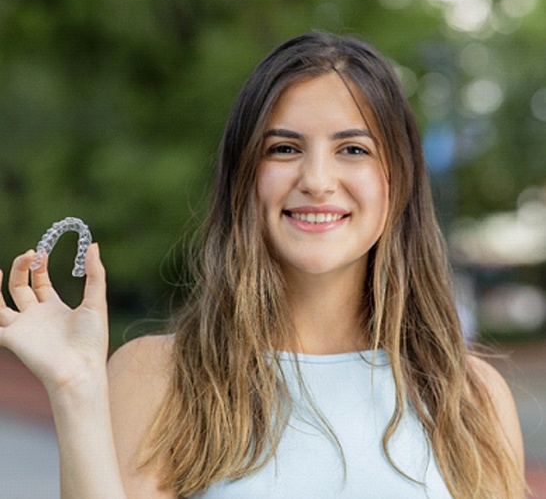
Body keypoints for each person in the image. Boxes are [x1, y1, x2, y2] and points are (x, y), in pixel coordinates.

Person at [0, 32, 525, 498]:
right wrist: (75, 389)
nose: (317, 179)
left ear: (399, 181)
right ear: (244, 179)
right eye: (284, 148)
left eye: (353, 150)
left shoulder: (471, 396)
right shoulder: (158, 376)